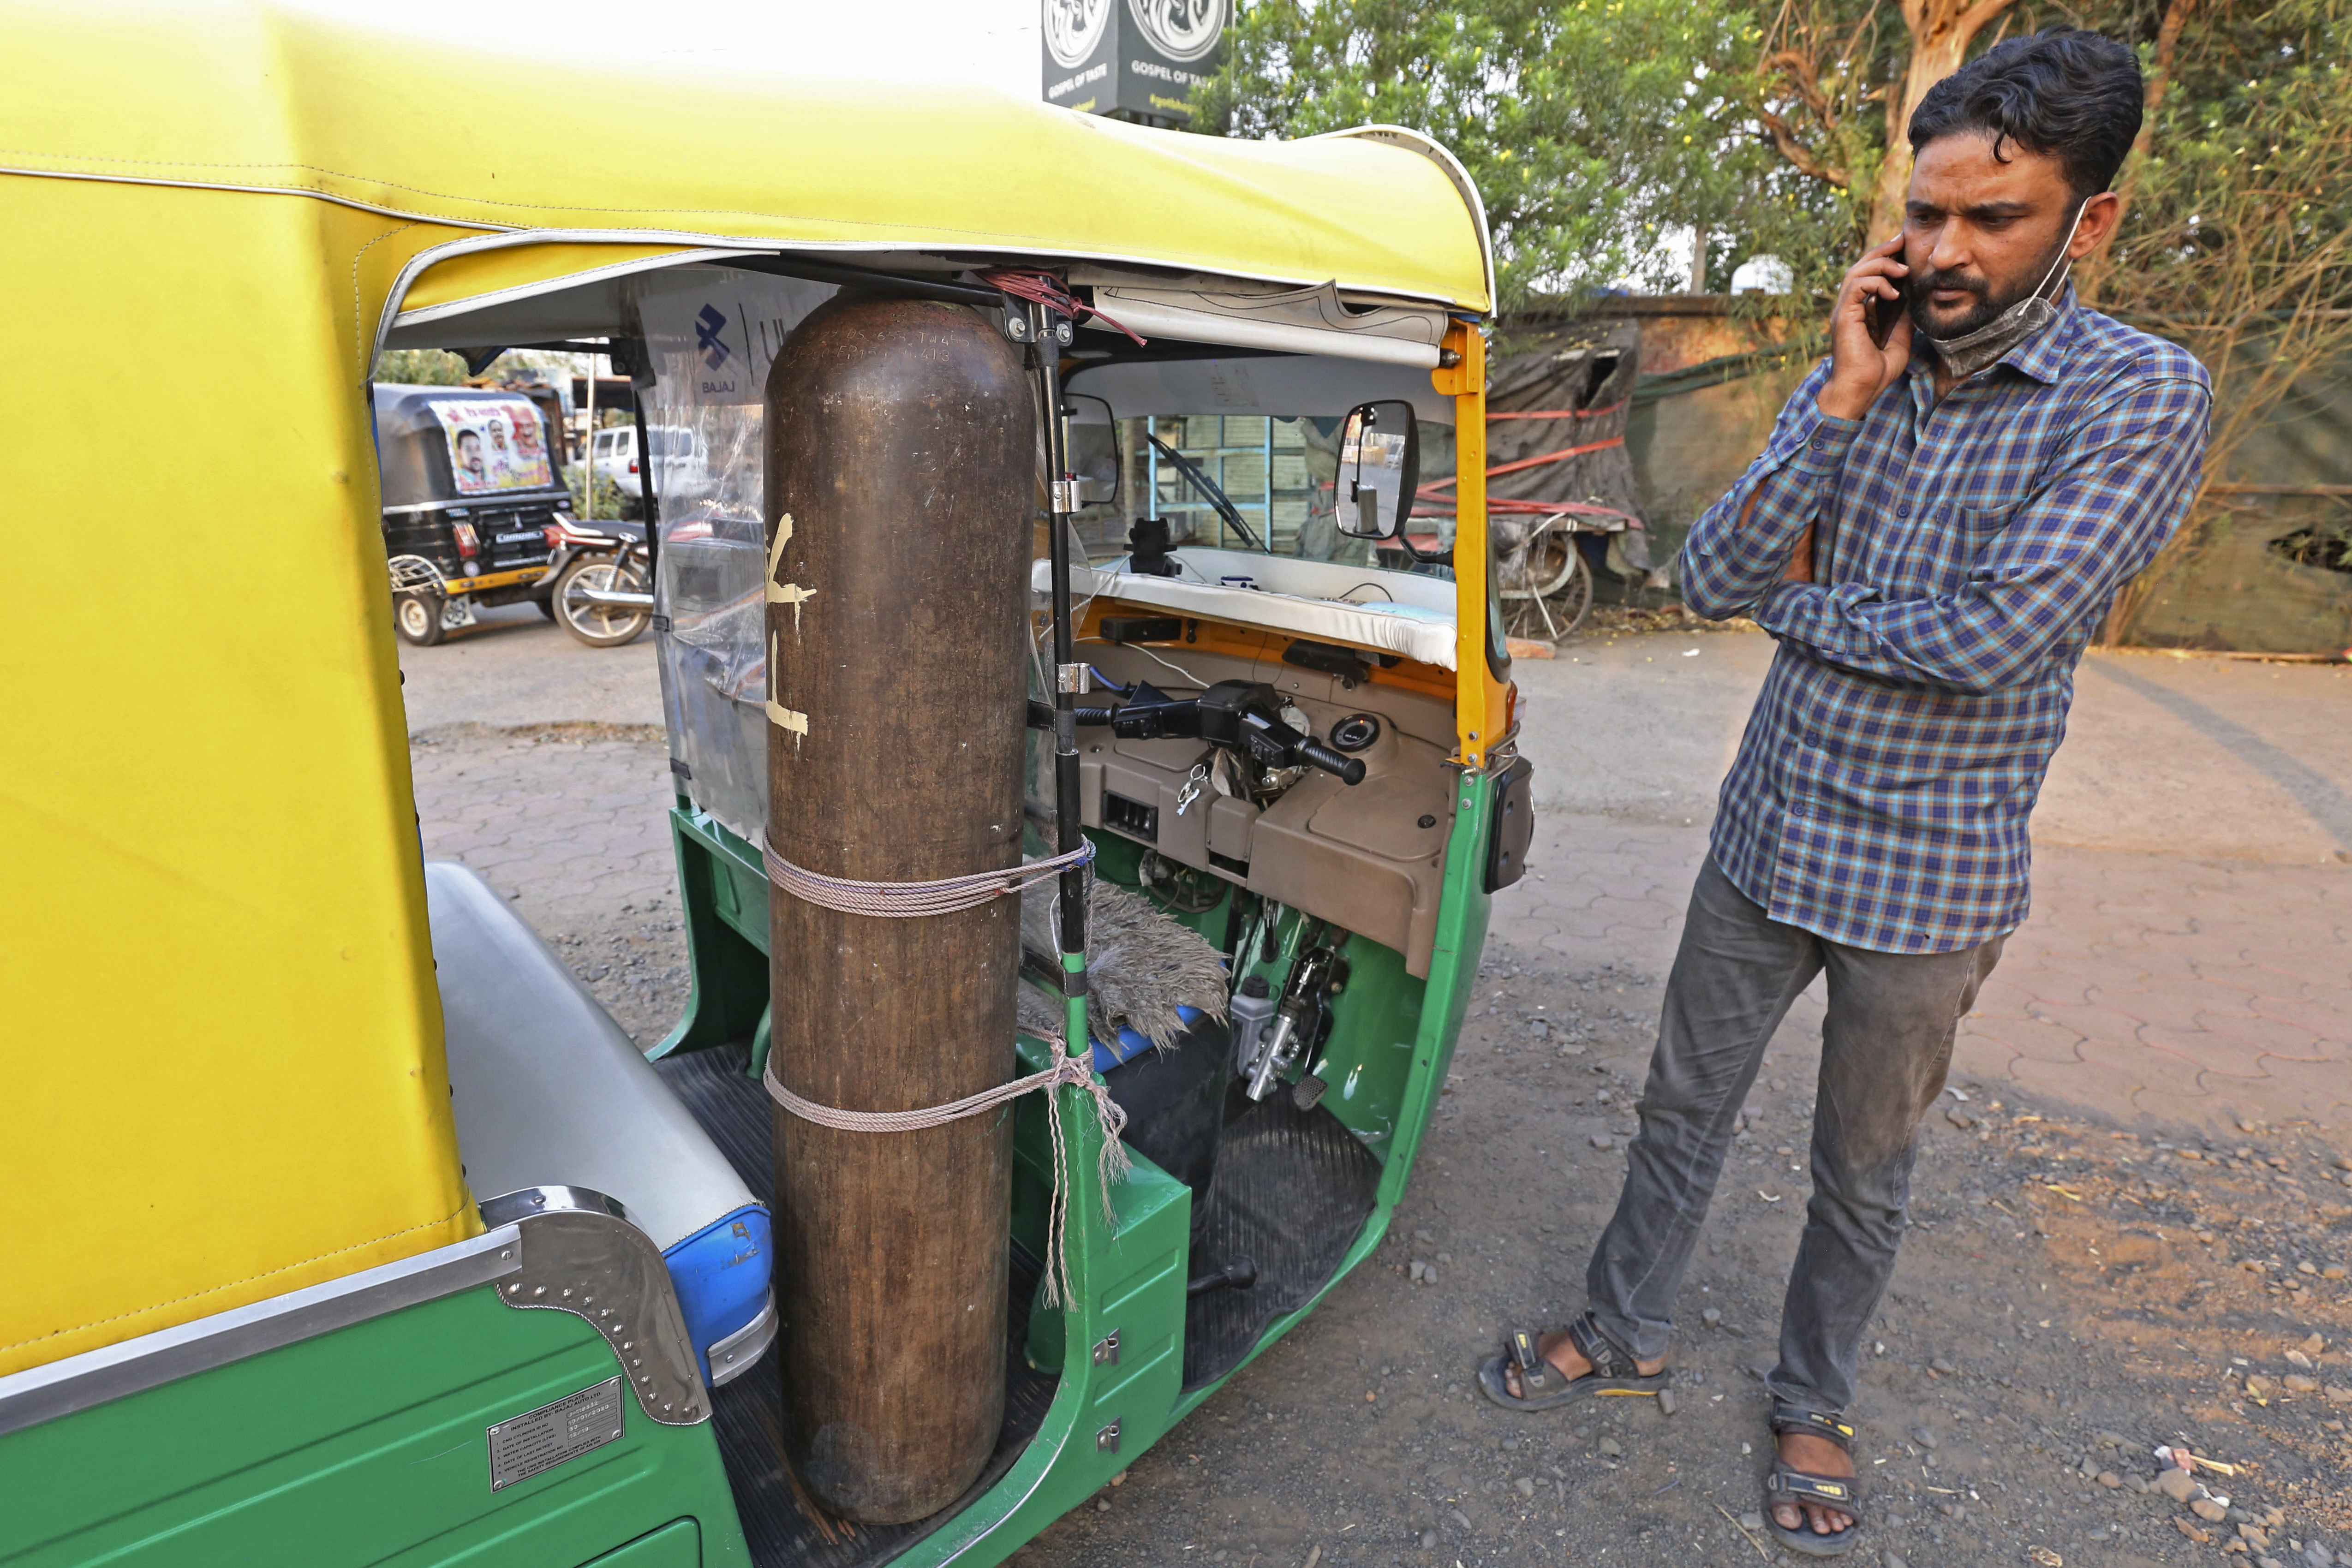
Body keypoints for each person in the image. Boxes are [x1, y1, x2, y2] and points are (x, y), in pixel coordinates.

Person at [1476, 28, 2210, 1558]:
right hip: (1766, 838)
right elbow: (1711, 570)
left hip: (1930, 884)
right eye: (1923, 213)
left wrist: (1804, 620)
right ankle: (1626, 1328)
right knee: (1679, 1108)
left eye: (1987, 220)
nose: (1939, 252)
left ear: (2092, 221)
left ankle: (1816, 1396)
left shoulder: (2134, 397)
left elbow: (2000, 638)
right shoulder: (1869, 364)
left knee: (1860, 1172)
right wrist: (1836, 395)